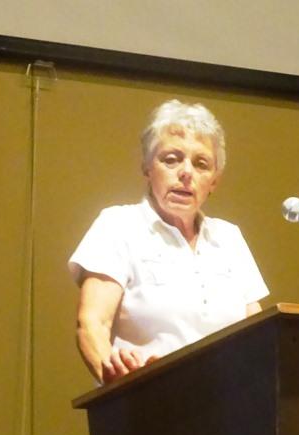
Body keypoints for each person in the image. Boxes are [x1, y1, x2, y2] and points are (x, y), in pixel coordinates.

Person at [69, 99, 269, 383]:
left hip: (232, 401)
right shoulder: (118, 225)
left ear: (214, 181)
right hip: (145, 399)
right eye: (171, 159)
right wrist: (119, 383)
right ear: (147, 167)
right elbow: (92, 325)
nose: (186, 173)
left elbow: (259, 337)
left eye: (201, 164)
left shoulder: (229, 238)